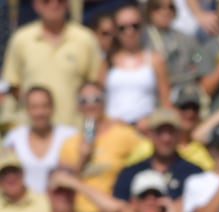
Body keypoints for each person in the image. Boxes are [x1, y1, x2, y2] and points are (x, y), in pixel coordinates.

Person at [2, 0, 104, 128]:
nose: (54, 4)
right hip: (31, 132)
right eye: (46, 1)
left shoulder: (85, 39)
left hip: (74, 131)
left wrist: (89, 131)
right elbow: (14, 86)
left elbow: (96, 87)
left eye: (60, 1)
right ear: (36, 4)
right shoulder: (21, 39)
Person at [2, 87, 77, 195]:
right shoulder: (14, 137)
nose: (40, 112)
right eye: (34, 107)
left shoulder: (69, 136)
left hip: (58, 206)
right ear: (27, 109)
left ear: (52, 107)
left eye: (45, 106)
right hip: (23, 206)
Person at [104, 3, 169, 125]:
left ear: (143, 26)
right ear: (115, 31)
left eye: (135, 26)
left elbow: (166, 102)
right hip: (113, 129)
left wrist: (152, 120)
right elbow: (98, 98)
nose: (130, 31)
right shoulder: (107, 61)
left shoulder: (155, 59)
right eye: (122, 27)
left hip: (146, 129)